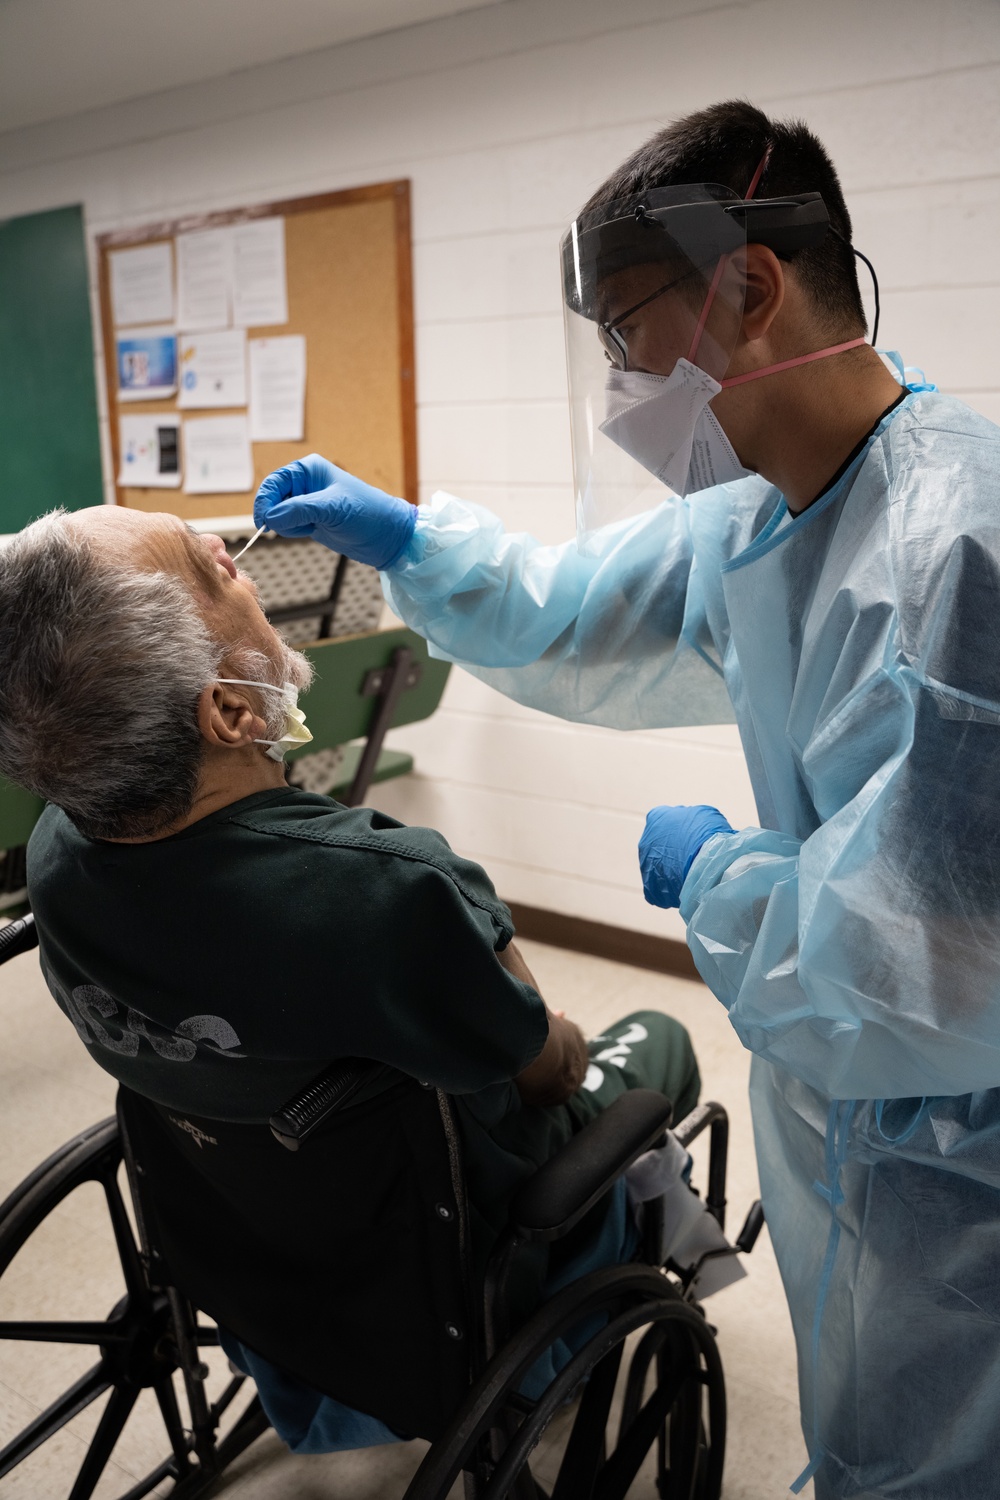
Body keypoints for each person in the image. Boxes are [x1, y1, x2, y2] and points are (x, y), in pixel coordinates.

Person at [251, 99, 1000, 1498]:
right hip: (850, 1109)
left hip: (963, 1141)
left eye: (626, 332)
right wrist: (414, 540)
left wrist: (723, 875)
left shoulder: (959, 551)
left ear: (751, 287)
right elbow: (569, 614)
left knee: (948, 1426)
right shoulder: (758, 517)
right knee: (873, 1403)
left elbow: (929, 976)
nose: (620, 384)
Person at [0, 502, 700, 1453]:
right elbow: (548, 1073)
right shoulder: (390, 894)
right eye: (216, 571)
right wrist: (558, 1033)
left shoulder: (55, 859)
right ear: (234, 711)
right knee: (662, 1040)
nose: (229, 550)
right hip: (444, 1255)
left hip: (243, 1238)